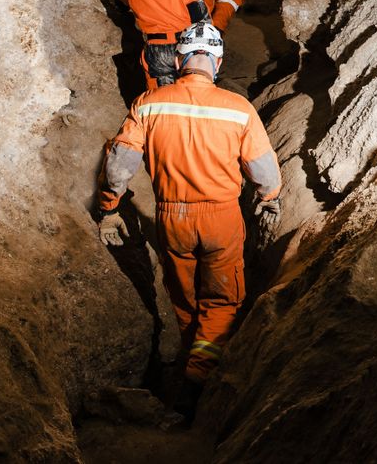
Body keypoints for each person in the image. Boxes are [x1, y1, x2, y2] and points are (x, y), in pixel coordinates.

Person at [96, 21, 282, 416]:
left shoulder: (149, 103)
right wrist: (269, 198)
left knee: (183, 295)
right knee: (222, 298)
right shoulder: (239, 109)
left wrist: (109, 209)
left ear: (180, 59)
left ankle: (187, 352)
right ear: (218, 62)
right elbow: (263, 171)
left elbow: (119, 166)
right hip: (221, 218)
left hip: (172, 217)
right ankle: (198, 379)